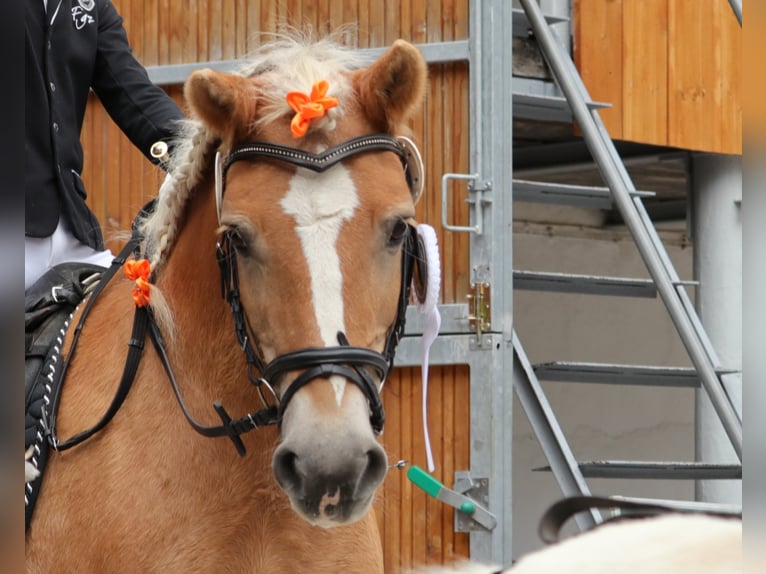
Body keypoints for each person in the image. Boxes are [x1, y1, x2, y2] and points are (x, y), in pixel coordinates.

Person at [25, 0, 185, 290]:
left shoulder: (91, 7)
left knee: (139, 310)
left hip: (74, 233)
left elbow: (132, 90)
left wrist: (193, 150)